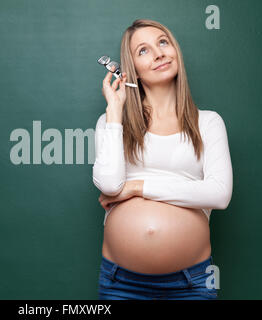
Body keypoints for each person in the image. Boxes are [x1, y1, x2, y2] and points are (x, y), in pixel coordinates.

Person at [93, 19, 233, 300]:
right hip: (121, 284)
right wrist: (114, 111)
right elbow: (109, 185)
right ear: (131, 70)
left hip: (191, 284)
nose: (158, 53)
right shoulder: (111, 122)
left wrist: (136, 188)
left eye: (162, 42)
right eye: (143, 51)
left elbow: (219, 195)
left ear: (175, 50)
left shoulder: (208, 122)